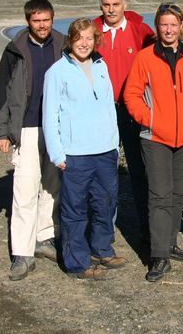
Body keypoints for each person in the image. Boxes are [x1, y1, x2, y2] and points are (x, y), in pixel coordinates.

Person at [123, 3, 183, 282]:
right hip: (155, 138)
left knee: (176, 194)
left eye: (174, 24)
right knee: (159, 195)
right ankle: (159, 255)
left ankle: (170, 242)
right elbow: (132, 95)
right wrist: (149, 120)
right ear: (157, 26)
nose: (169, 29)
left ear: (182, 26)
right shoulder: (145, 58)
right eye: (164, 24)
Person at [43, 18, 126, 280]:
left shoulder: (101, 65)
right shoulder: (57, 72)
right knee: (75, 210)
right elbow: (50, 116)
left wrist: (114, 142)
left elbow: (108, 108)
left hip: (105, 151)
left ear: (95, 40)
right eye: (79, 38)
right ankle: (77, 262)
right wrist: (57, 153)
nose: (84, 43)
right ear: (71, 39)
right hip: (75, 154)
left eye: (89, 38)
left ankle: (102, 248)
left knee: (105, 203)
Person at [0, 0, 63, 281]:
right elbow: (1, 90)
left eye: (46, 20)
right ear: (28, 21)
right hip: (27, 127)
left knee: (52, 185)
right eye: (37, 20)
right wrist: (1, 131)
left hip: (56, 127)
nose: (42, 25)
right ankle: (22, 253)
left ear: (52, 18)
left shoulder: (63, 44)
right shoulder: (14, 50)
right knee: (24, 190)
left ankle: (44, 238)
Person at [92, 0, 155, 239]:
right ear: (101, 7)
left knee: (139, 169)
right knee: (103, 169)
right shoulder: (92, 31)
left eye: (115, 4)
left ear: (124, 5)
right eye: (106, 5)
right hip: (101, 111)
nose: (111, 9)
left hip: (132, 109)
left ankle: (147, 226)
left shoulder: (141, 31)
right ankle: (103, 227)